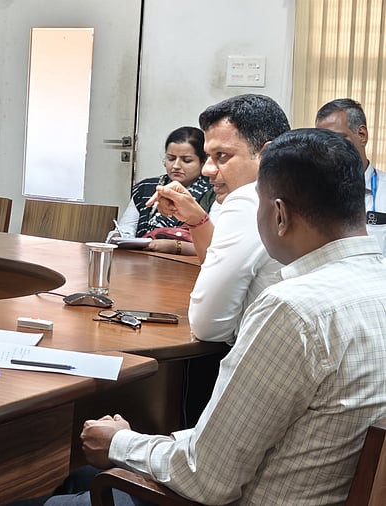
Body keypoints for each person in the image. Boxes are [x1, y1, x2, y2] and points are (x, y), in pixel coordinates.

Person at [20, 128, 386, 506]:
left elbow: (207, 479)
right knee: (80, 476)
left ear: (279, 214)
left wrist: (118, 442)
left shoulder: (293, 310)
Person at [149, 94, 289, 344]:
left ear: (267, 155)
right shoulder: (293, 191)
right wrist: (197, 219)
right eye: (208, 156)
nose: (207, 170)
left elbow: (207, 327)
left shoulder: (251, 198)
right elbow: (218, 265)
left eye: (222, 156)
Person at [116, 126, 215, 256]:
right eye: (171, 158)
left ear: (203, 162)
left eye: (186, 160)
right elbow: (125, 230)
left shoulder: (213, 192)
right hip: (140, 258)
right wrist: (118, 236)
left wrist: (174, 246)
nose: (176, 166)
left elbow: (213, 248)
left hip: (186, 265)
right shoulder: (147, 187)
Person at [315, 98, 386, 253]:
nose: (329, 149)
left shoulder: (384, 191)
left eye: (337, 139)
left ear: (362, 135)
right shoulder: (313, 193)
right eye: (323, 142)